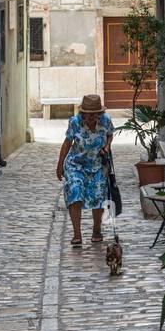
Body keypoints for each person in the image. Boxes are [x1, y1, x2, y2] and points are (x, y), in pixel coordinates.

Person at [56, 94, 115, 246]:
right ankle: (77, 233)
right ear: (83, 113)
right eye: (88, 114)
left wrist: (107, 146)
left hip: (97, 164)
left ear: (99, 114)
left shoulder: (105, 121)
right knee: (75, 189)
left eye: (94, 114)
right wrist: (60, 165)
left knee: (98, 192)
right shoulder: (75, 123)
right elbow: (67, 143)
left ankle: (96, 230)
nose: (91, 117)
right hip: (76, 164)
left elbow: (110, 135)